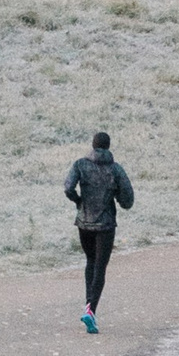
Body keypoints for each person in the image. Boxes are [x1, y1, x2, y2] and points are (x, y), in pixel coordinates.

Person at [63, 131, 134, 334]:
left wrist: (79, 202)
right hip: (105, 225)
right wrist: (116, 197)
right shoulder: (116, 169)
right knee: (100, 268)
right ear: (109, 147)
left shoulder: (80, 165)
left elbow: (68, 188)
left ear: (93, 146)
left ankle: (89, 307)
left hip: (84, 223)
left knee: (90, 263)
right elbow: (128, 200)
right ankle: (91, 310)